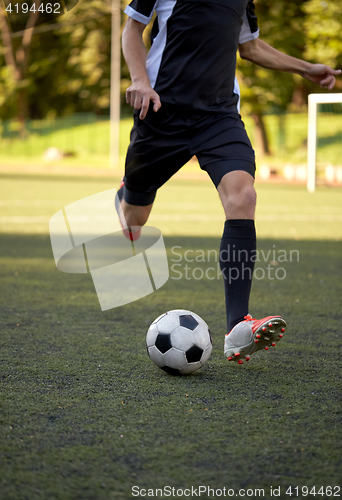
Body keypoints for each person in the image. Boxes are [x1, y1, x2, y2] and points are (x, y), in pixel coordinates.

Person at [116, 0, 340, 364]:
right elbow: (131, 29)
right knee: (134, 219)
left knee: (242, 196)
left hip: (218, 116)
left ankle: (237, 326)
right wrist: (140, 81)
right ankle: (128, 191)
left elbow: (249, 46)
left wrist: (304, 69)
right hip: (160, 111)